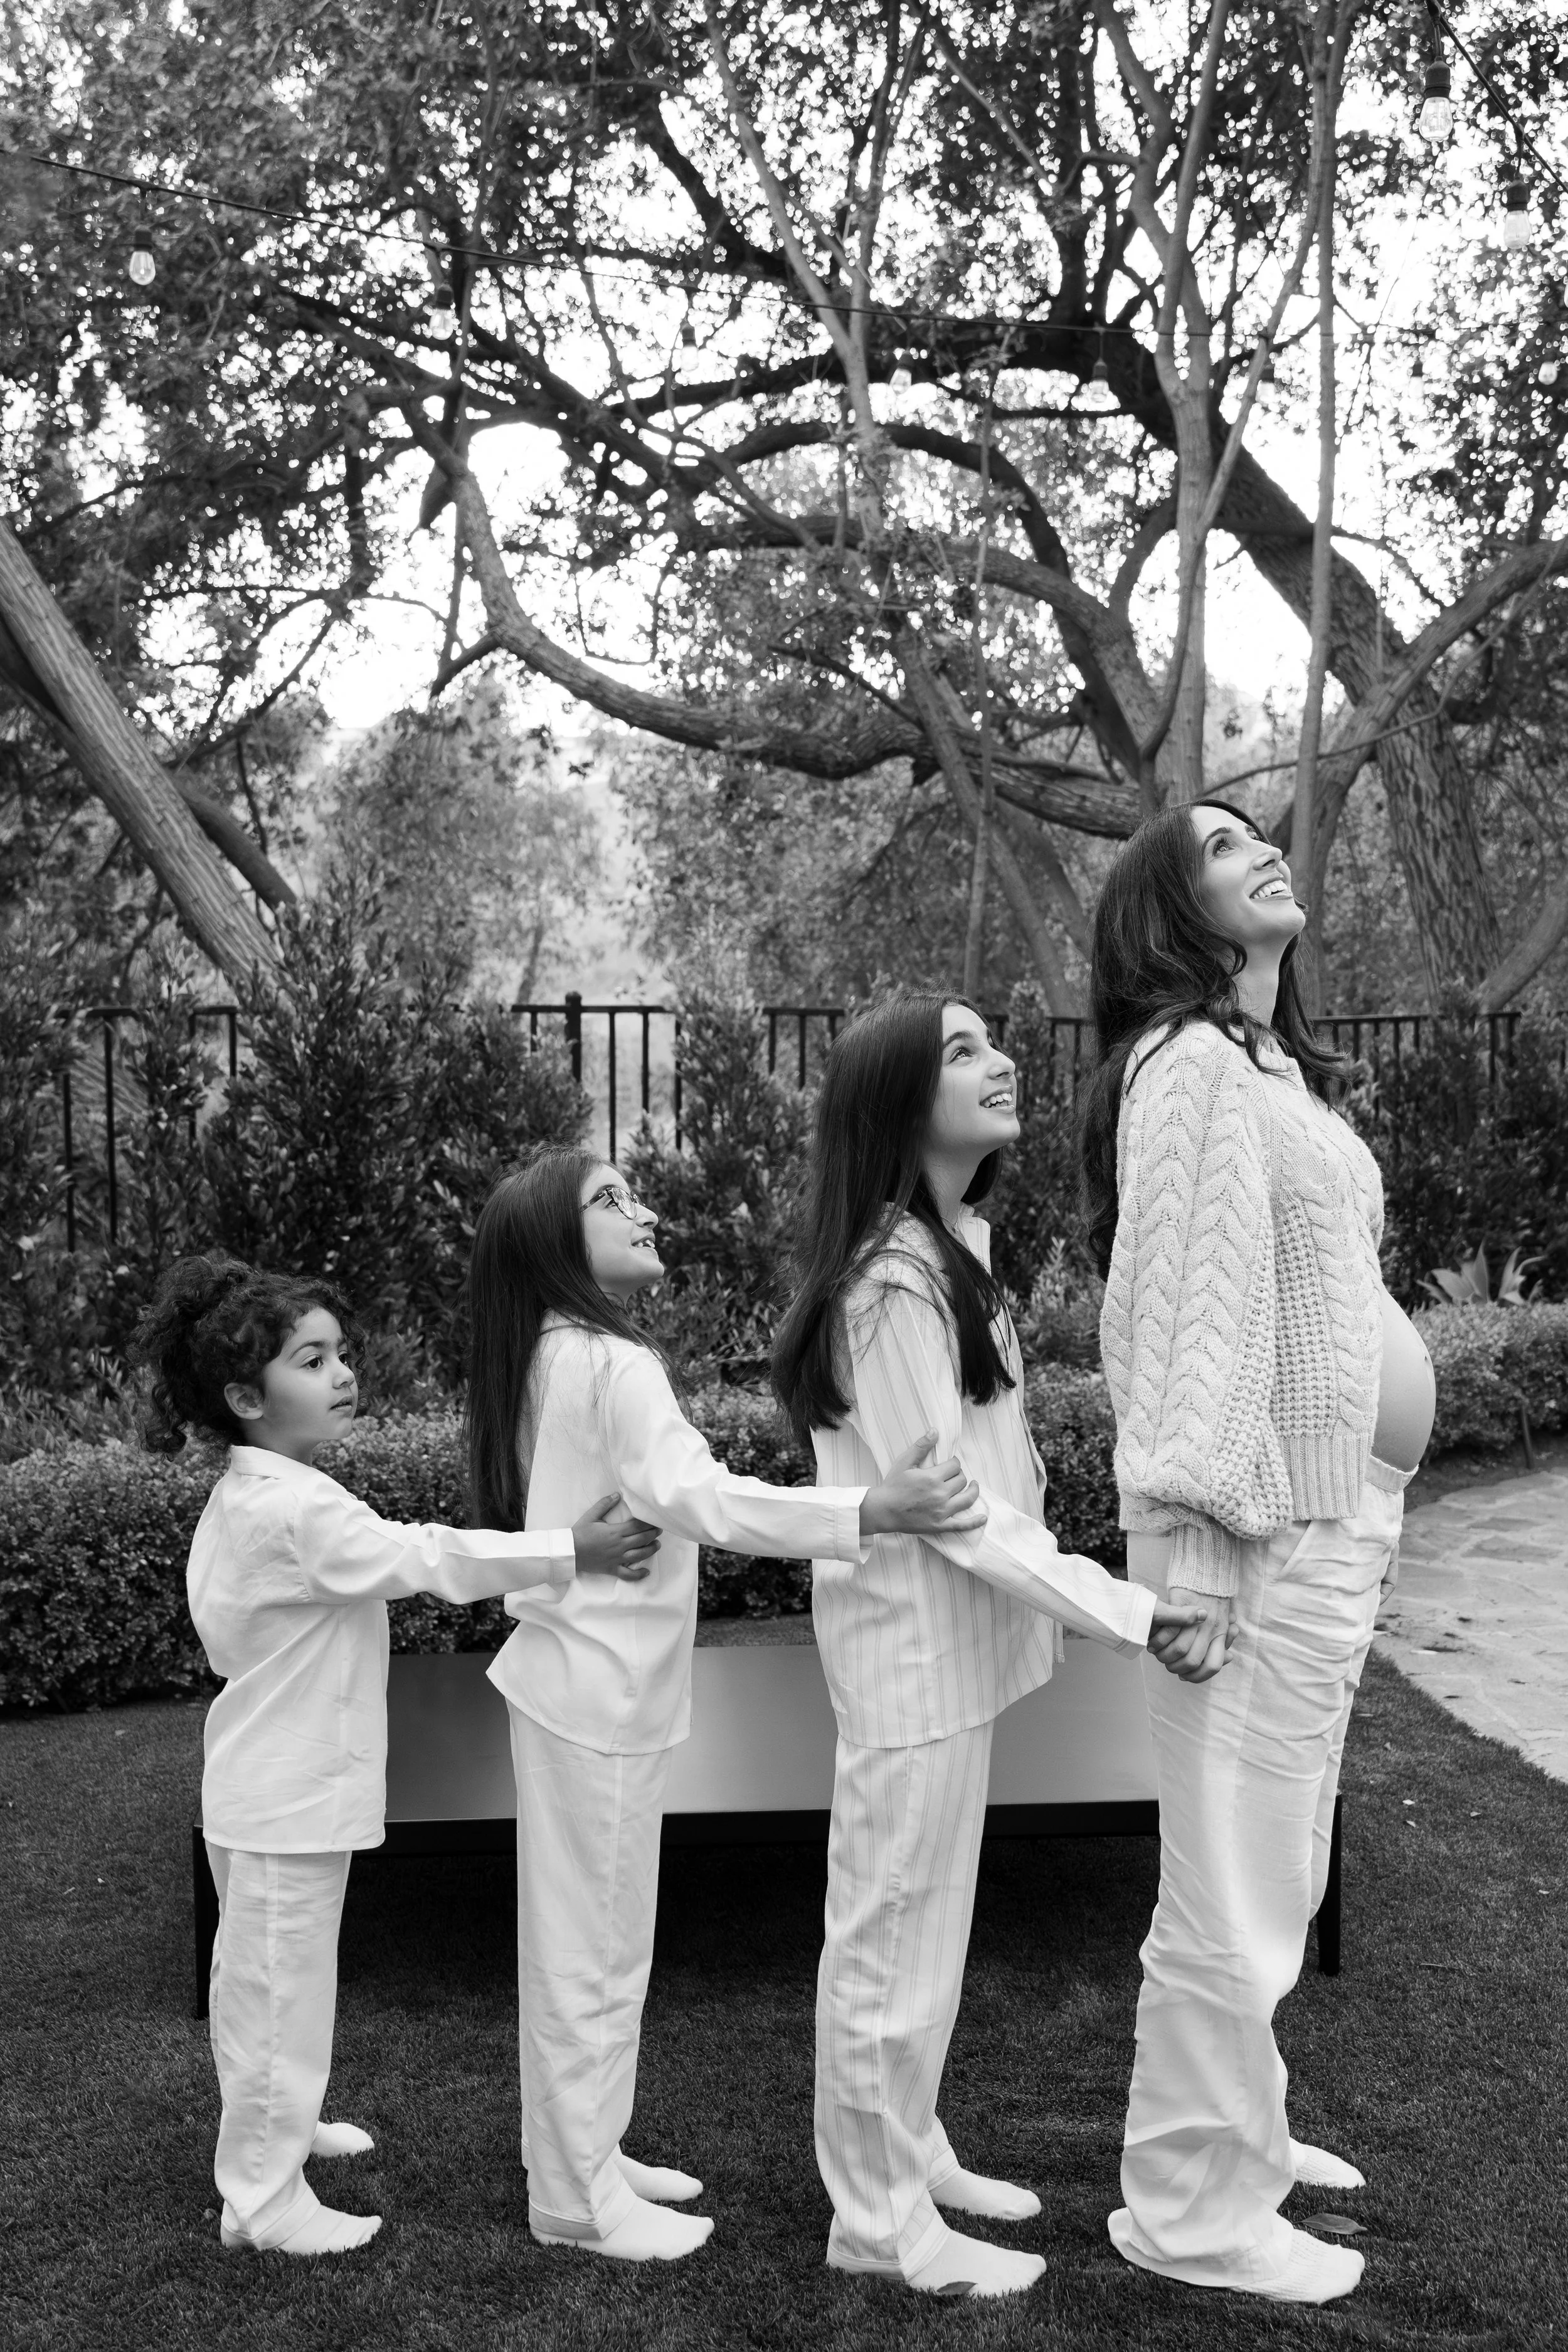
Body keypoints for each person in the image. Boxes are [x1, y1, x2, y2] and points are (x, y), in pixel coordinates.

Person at [467, 1146, 990, 2267]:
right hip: (591, 1694)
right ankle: (571, 2192)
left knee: (594, 1943)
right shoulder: (606, 1361)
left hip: (583, 1687)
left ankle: (583, 2153)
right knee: (591, 1952)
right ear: (554, 1242)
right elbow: (703, 1497)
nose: (642, 1207)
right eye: (610, 1200)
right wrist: (872, 1508)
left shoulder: (558, 1354)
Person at [770, 991, 1212, 2301]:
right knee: (886, 1950)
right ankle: (876, 2221)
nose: (999, 1061)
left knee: (923, 1939)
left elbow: (989, 1481)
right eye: (958, 1052)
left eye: (988, 1041)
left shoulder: (946, 1247)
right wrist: (1131, 1613)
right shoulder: (890, 1280)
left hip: (951, 1656)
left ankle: (910, 2152)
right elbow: (959, 1516)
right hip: (910, 1655)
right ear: (895, 1102)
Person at [1083, 800, 1436, 2305]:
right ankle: (1185, 2208)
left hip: (1329, 1518)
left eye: (1255, 834)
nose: (1260, 849)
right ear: (1172, 909)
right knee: (1224, 1882)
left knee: (1276, 1865)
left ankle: (1249, 2135)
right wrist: (1205, 1546)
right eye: (1221, 847)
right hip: (1250, 1536)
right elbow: (1181, 1326)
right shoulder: (1186, 1071)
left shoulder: (1266, 1070)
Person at [135, 1253, 660, 2259]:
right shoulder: (299, 1510)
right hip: (286, 1790)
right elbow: (428, 1556)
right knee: (277, 1989)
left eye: (340, 1353)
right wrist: (569, 1549)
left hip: (254, 1776)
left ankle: (285, 2124)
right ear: (248, 1396)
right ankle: (261, 2197)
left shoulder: (250, 1496)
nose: (342, 1373)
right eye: (311, 1359)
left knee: (262, 1979)